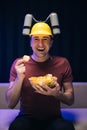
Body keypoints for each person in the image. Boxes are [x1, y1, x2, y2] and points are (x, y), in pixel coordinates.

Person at [6, 22, 75, 130]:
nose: (41, 44)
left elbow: (70, 100)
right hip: (26, 118)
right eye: (36, 39)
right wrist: (19, 78)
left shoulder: (63, 63)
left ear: (51, 42)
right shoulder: (19, 64)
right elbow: (10, 103)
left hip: (54, 119)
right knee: (17, 127)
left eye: (45, 39)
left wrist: (57, 94)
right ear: (30, 42)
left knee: (66, 128)